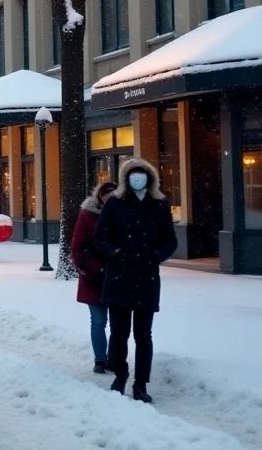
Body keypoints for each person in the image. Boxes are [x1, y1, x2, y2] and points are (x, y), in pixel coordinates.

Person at [95, 158, 177, 403]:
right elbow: (100, 237)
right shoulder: (115, 204)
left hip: (147, 279)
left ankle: (141, 384)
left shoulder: (160, 204)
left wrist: (155, 256)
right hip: (119, 278)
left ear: (150, 179)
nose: (138, 179)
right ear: (126, 179)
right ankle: (120, 375)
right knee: (119, 333)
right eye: (133, 175)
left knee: (144, 335)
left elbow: (170, 241)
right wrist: (116, 253)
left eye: (142, 175)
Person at [72, 181, 119, 373]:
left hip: (117, 277)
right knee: (99, 321)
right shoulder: (87, 215)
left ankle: (115, 358)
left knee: (118, 323)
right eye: (106, 195)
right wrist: (97, 268)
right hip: (94, 278)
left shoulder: (121, 214)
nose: (109, 199)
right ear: (99, 196)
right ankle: (101, 359)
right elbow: (77, 248)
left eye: (113, 195)